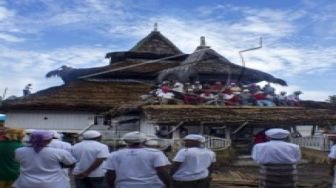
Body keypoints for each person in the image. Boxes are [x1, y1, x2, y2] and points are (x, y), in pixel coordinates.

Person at [105, 131, 171, 188]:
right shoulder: (156, 153)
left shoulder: (114, 154)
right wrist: (169, 185)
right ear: (144, 141)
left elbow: (110, 174)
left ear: (125, 141)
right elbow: (162, 172)